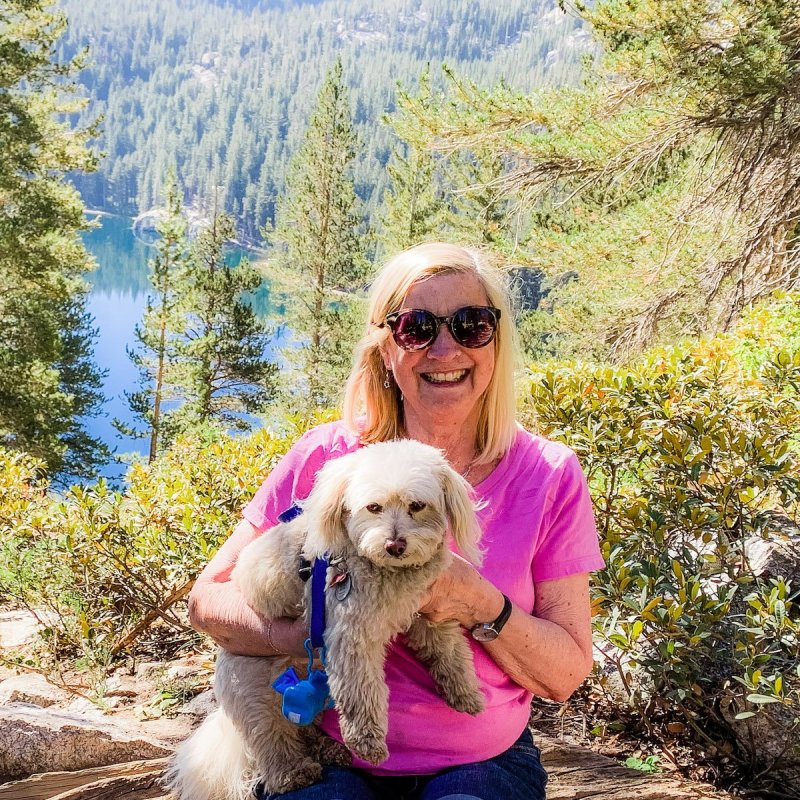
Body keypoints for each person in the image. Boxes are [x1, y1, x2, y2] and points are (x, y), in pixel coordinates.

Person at [189, 242, 605, 800]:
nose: (445, 347)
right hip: (325, 750)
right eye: (416, 327)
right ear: (385, 348)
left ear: (496, 340)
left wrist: (478, 601)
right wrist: (322, 633)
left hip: (480, 759)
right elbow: (207, 601)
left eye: (470, 324)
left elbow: (565, 675)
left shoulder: (549, 474)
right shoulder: (327, 459)